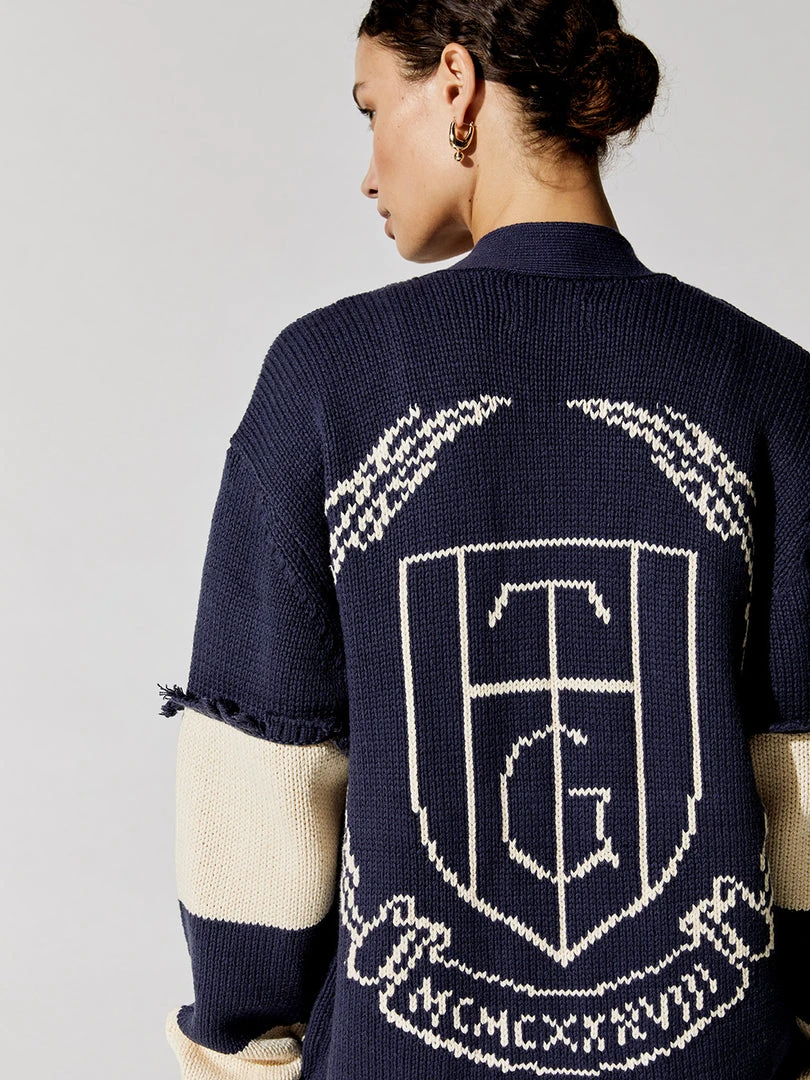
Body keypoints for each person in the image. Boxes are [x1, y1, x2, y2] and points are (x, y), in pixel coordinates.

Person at [158, 2, 810, 1078]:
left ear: (455, 84)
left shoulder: (328, 381)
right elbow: (801, 781)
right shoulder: (771, 386)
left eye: (373, 110)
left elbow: (261, 785)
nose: (368, 173)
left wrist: (246, 1044)